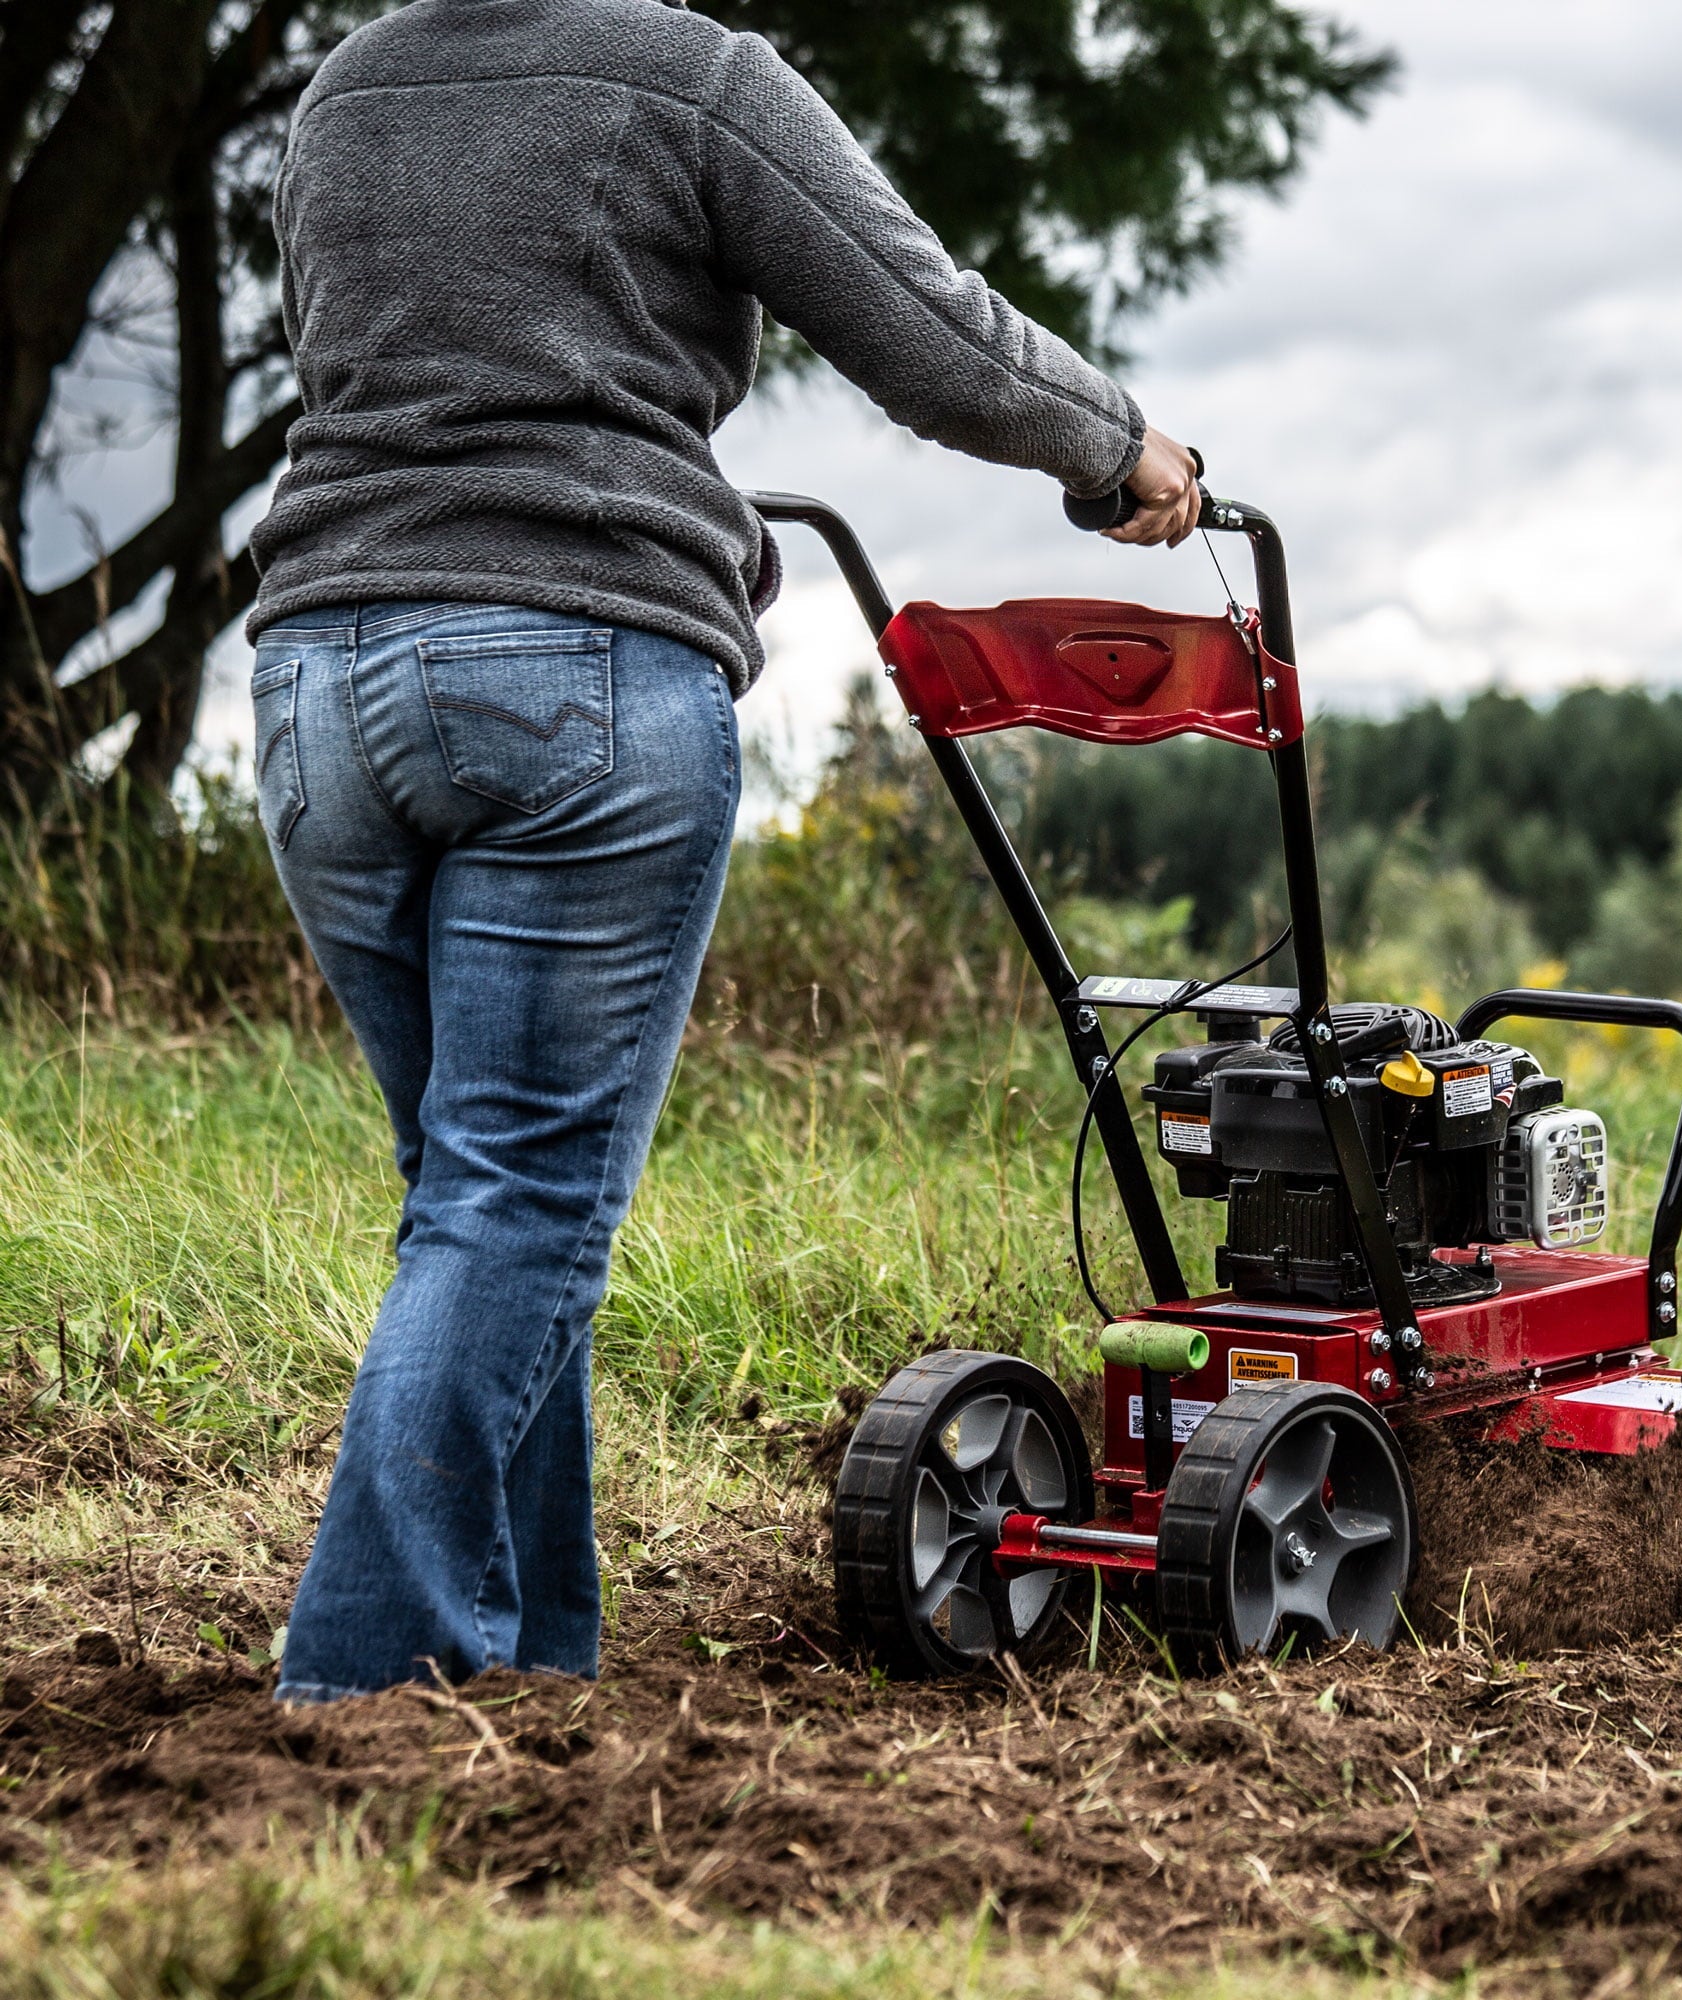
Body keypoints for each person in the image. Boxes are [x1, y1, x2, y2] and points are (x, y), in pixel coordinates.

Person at [246, 0, 1200, 1702]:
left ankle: (527, 1671)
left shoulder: (340, 92)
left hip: (320, 685)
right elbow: (928, 335)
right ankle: (372, 1683)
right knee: (516, 1202)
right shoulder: (688, 74)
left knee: (472, 1205)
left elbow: (361, 366)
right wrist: (1117, 445)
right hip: (572, 669)